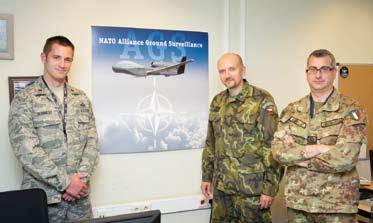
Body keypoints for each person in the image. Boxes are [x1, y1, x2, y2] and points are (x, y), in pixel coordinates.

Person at [8, 36, 100, 223]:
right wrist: (67, 183)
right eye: (56, 57)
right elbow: (26, 150)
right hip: (44, 199)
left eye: (68, 59)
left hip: (79, 201)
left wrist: (78, 183)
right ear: (44, 57)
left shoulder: (81, 98)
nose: (62, 64)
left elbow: (92, 143)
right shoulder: (25, 99)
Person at [272, 49, 368, 222]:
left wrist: (298, 156)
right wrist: (320, 148)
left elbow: (345, 157)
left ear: (334, 72)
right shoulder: (292, 110)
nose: (318, 74)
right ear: (306, 73)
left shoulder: (351, 109)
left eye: (324, 69)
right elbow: (278, 152)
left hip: (336, 205)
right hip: (299, 203)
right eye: (313, 69)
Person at [201, 52, 282, 222]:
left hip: (251, 190)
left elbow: (273, 146)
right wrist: (206, 176)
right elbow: (211, 143)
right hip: (223, 189)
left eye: (232, 69)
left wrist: (270, 188)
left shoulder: (262, 100)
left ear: (243, 71)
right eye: (222, 71)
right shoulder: (217, 102)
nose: (227, 75)